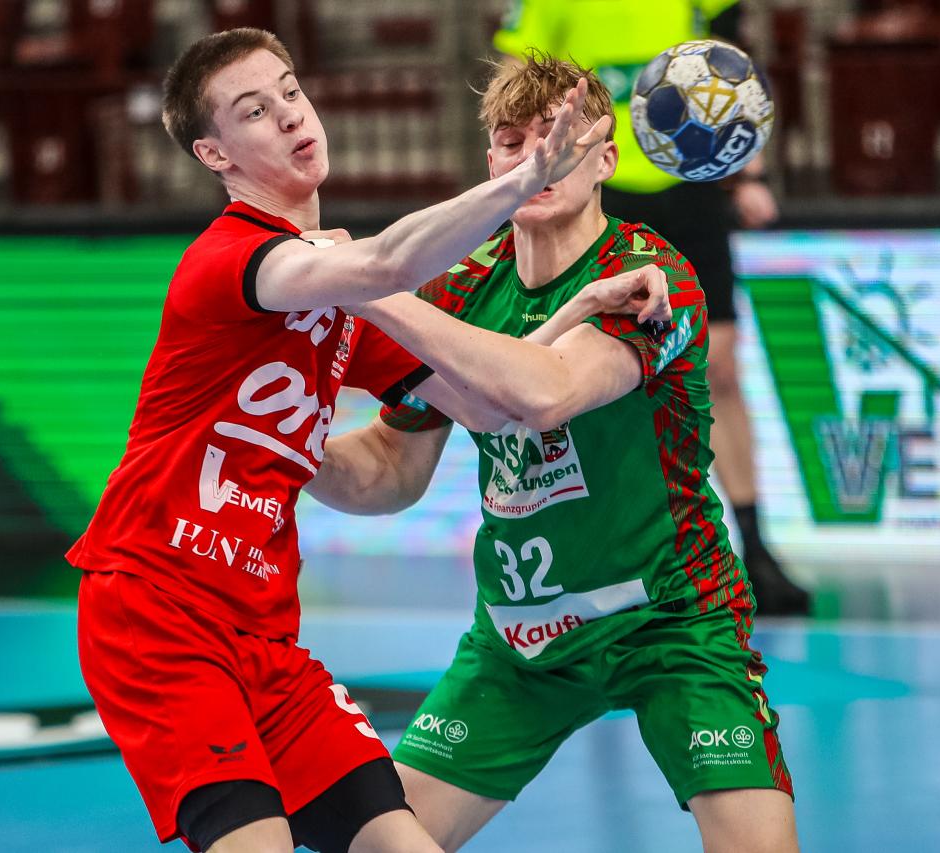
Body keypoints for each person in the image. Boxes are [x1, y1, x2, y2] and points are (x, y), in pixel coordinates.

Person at [67, 28, 669, 853]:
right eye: (254, 111)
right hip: (156, 606)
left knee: (400, 841)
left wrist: (581, 308)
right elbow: (383, 264)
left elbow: (487, 407)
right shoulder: (235, 261)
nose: (290, 115)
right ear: (214, 153)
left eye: (290, 91)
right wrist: (527, 177)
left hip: (263, 629)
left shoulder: (347, 298)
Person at [308, 54, 798, 851]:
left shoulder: (651, 278)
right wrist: (285, 446)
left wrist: (368, 284)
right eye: (513, 142)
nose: (537, 156)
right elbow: (392, 471)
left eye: (559, 137)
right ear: (491, 166)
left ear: (606, 158)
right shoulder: (460, 291)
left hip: (673, 621)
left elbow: (548, 391)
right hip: (521, 638)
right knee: (378, 844)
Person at [494, 0, 812, 615]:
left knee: (721, 368)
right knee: (593, 380)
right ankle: (612, 553)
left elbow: (734, 67)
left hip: (690, 184)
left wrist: (750, 172)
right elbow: (515, 79)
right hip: (600, 189)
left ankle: (754, 548)